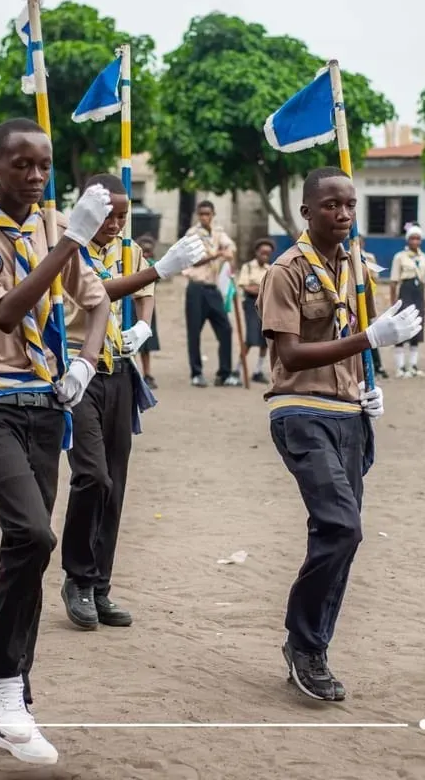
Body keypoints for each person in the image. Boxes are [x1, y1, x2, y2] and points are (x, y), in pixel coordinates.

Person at [0, 117, 111, 766]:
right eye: (21, 166)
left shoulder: (52, 224)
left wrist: (86, 364)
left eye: (44, 166)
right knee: (35, 534)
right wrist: (70, 242)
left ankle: (8, 694)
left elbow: (96, 302)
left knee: (27, 549)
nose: (35, 177)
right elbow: (6, 311)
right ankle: (4, 679)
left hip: (44, 404)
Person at [258, 167, 422, 701]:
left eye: (350, 204)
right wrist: (369, 338)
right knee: (341, 525)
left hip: (351, 412)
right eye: (331, 205)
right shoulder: (285, 271)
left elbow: (361, 336)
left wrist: (370, 384)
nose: (345, 214)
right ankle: (304, 644)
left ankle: (311, 646)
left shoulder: (358, 267)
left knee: (338, 536)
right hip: (300, 410)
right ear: (307, 212)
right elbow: (289, 353)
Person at [59, 174, 206, 632]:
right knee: (91, 475)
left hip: (119, 372)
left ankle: (99, 584)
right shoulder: (68, 249)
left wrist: (142, 327)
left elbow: (144, 294)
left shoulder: (129, 250)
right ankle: (76, 579)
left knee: (116, 483)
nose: (116, 224)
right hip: (77, 370)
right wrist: (159, 269)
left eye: (124, 216)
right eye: (109, 215)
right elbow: (99, 293)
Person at [183, 200, 239, 388]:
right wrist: (217, 255)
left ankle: (224, 373)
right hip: (196, 288)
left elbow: (230, 248)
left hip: (213, 288)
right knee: (194, 331)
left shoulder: (218, 232)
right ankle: (196, 373)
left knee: (225, 328)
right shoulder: (192, 234)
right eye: (201, 214)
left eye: (207, 214)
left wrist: (228, 255)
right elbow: (195, 261)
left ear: (213, 214)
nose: (204, 217)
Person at [388, 225, 425, 378]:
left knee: (417, 329)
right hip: (405, 294)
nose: (415, 241)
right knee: (402, 328)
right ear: (408, 240)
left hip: (418, 294)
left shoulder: (424, 257)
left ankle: (413, 366)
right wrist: (393, 302)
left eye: (418, 238)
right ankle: (400, 367)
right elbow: (394, 281)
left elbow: (424, 279)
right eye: (412, 238)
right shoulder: (400, 257)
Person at [238, 238, 274, 384]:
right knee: (250, 338)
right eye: (262, 253)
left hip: (266, 305)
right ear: (256, 252)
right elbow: (246, 287)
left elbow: (272, 289)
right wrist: (261, 289)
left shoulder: (270, 269)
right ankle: (238, 369)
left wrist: (257, 288)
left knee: (264, 338)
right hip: (251, 304)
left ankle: (257, 371)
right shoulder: (248, 267)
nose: (264, 256)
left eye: (268, 253)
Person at [357, 236, 388, 379]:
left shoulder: (369, 257)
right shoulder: (346, 256)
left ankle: (378, 366)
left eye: (360, 241)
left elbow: (375, 277)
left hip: (367, 298)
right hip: (354, 299)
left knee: (370, 333)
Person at [135, 235, 161, 389]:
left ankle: (147, 373)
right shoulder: (130, 264)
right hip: (131, 305)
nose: (146, 255)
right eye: (143, 252)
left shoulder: (153, 267)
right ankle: (135, 373)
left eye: (149, 252)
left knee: (147, 343)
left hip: (147, 306)